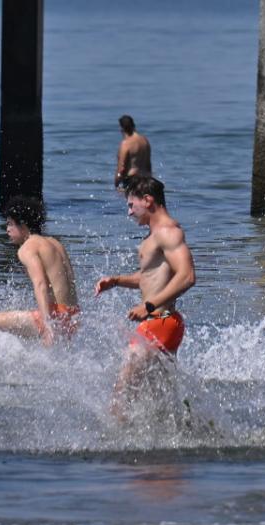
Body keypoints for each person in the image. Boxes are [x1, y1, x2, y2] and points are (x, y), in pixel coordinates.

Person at [95, 176, 196, 417]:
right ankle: (181, 440)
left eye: (132, 205)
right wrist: (117, 281)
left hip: (159, 322)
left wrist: (149, 306)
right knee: (157, 401)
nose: (129, 213)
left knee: (120, 397)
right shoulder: (156, 235)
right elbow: (152, 277)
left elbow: (187, 276)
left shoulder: (167, 232)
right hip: (164, 322)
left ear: (148, 200)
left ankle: (116, 445)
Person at [0, 197, 79, 348]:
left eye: (10, 224)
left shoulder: (27, 248)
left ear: (23, 225)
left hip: (54, 317)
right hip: (73, 316)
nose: (7, 230)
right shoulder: (55, 243)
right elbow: (71, 283)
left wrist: (47, 325)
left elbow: (40, 284)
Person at [114, 115, 152, 189]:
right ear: (134, 125)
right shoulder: (145, 141)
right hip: (146, 180)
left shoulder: (126, 144)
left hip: (132, 180)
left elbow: (122, 168)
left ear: (122, 129)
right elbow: (148, 165)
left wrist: (117, 183)